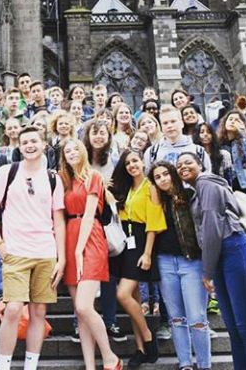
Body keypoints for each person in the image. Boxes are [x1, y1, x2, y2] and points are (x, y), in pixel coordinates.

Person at [0, 126, 66, 370]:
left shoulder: (53, 178)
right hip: (15, 251)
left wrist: (61, 258)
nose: (30, 145)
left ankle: (31, 364)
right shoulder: (6, 172)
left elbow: (58, 219)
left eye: (34, 141)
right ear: (19, 146)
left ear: (44, 145)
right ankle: (4, 365)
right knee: (13, 309)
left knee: (39, 311)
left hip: (45, 251)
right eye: (25, 142)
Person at [176, 152, 246, 370]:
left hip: (236, 250)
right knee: (235, 329)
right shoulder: (197, 191)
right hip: (221, 257)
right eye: (178, 165)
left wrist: (206, 272)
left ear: (201, 165)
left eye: (188, 162)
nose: (182, 167)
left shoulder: (206, 184)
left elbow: (212, 229)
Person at [59, 139, 122, 370]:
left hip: (91, 237)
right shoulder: (65, 181)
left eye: (75, 149)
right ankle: (89, 366)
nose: (72, 153)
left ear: (83, 152)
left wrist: (78, 249)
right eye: (67, 151)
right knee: (80, 311)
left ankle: (109, 357)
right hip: (70, 234)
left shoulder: (93, 176)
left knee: (85, 306)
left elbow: (88, 214)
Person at [148, 160, 211, 370]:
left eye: (165, 174)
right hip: (165, 262)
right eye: (157, 177)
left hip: (191, 261)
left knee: (197, 318)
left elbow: (202, 227)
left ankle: (204, 365)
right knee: (176, 318)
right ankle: (185, 363)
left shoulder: (189, 195)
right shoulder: (155, 201)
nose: (163, 179)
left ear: (173, 173)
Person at [109, 150, 163, 368]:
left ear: (143, 162)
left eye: (135, 161)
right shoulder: (126, 187)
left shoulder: (151, 187)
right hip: (124, 242)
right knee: (132, 298)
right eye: (128, 163)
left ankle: (149, 336)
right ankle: (140, 349)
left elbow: (153, 224)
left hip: (140, 243)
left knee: (122, 294)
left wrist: (147, 253)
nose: (132, 165)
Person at [143, 107, 210, 170]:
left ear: (182, 123)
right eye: (165, 123)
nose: (169, 126)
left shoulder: (199, 151)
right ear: (161, 127)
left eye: (173, 121)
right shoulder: (152, 153)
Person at [218, 111, 246, 197]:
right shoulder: (218, 142)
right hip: (225, 187)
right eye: (230, 119)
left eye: (237, 120)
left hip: (245, 187)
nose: (233, 121)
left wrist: (243, 135)